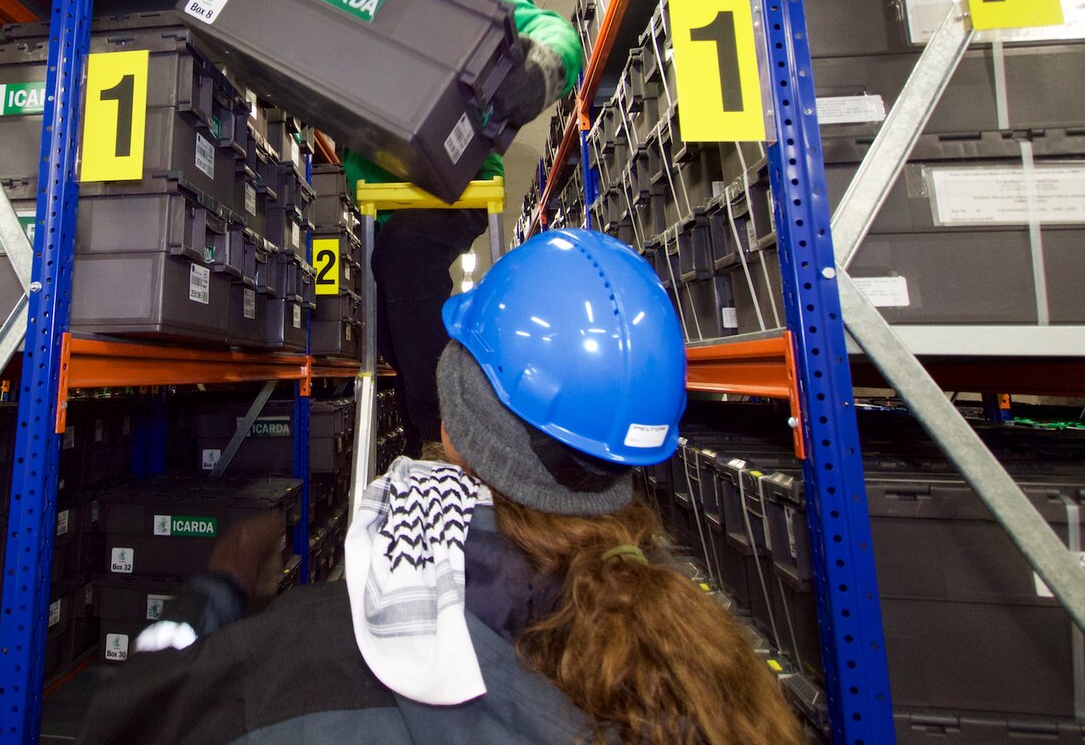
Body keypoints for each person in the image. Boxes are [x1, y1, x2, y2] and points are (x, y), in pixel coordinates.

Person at [73, 228, 805, 745]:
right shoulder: (715, 670)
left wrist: (220, 588)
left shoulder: (311, 654)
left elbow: (122, 714)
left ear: (456, 423)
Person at [350, 0, 585, 457]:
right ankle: (435, 414)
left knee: (404, 260)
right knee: (388, 312)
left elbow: (553, 30)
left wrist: (542, 65)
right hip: (378, 189)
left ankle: (437, 439)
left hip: (453, 184)